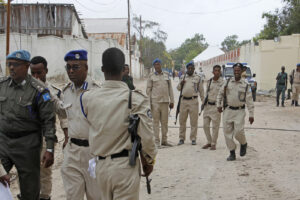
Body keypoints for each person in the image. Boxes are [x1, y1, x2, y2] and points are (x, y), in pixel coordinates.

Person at [81, 47, 157, 200]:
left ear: (102, 69)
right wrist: (149, 160)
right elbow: (147, 137)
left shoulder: (87, 98)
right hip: (125, 167)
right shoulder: (135, 99)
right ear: (124, 69)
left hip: (100, 167)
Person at [0, 50, 56, 200]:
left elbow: (48, 121)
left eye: (15, 65)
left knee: (30, 192)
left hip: (28, 145)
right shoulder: (2, 86)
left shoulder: (39, 91)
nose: (11, 68)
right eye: (9, 64)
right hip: (4, 142)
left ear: (26, 66)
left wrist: (49, 148)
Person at [60, 50, 101, 200]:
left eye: (75, 67)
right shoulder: (66, 91)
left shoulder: (97, 91)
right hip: (72, 152)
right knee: (72, 196)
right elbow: (64, 115)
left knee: (96, 196)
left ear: (86, 67)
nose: (71, 71)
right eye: (68, 67)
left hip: (93, 152)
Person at [30, 56, 68, 200]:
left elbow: (63, 115)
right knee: (27, 171)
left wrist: (67, 136)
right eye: (33, 73)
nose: (36, 76)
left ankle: (45, 196)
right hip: (27, 138)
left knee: (45, 171)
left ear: (46, 71)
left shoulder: (55, 91)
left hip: (47, 138)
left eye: (39, 72)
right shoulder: (25, 89)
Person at [217, 63, 254, 161]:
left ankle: (243, 143)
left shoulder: (246, 85)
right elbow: (220, 94)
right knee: (227, 133)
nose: (236, 72)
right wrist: (218, 105)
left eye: (238, 70)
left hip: (239, 111)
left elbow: (249, 101)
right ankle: (232, 152)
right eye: (235, 70)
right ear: (233, 71)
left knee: (238, 132)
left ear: (242, 71)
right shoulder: (227, 82)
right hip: (228, 110)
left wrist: (251, 114)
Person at [146, 58, 174, 147]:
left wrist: (172, 100)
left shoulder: (166, 75)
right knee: (155, 123)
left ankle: (164, 141)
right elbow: (148, 90)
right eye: (155, 65)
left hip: (165, 102)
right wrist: (149, 103)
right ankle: (157, 142)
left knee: (164, 123)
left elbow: (170, 88)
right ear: (154, 66)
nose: (157, 66)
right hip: (155, 103)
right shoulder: (151, 76)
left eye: (158, 64)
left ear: (160, 65)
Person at [177, 61, 204, 145]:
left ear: (194, 69)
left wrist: (203, 101)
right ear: (186, 69)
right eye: (189, 68)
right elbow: (178, 88)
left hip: (193, 101)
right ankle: (181, 138)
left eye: (192, 68)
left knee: (193, 121)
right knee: (182, 121)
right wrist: (181, 84)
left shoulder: (198, 78)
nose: (190, 70)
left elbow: (201, 91)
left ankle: (193, 138)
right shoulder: (182, 77)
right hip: (183, 101)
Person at [202, 65, 224, 150]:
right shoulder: (209, 81)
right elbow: (206, 93)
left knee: (215, 127)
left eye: (219, 71)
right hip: (208, 106)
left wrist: (221, 106)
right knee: (205, 125)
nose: (217, 72)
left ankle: (214, 143)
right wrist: (203, 103)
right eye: (215, 70)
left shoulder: (223, 82)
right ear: (213, 72)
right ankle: (209, 141)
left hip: (216, 107)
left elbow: (223, 96)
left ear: (220, 72)